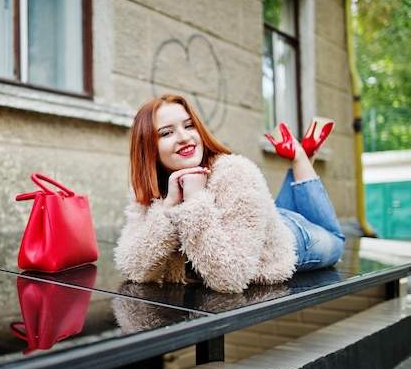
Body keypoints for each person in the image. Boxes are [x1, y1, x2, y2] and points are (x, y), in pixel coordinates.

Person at [114, 94, 345, 293]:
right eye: (166, 133)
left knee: (337, 239)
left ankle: (299, 156)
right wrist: (167, 210)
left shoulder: (235, 172)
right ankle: (305, 154)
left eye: (189, 125)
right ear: (148, 148)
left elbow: (230, 279)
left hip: (293, 238)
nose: (184, 137)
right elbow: (133, 267)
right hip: (263, 218)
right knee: (274, 211)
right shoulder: (149, 189)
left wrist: (195, 201)